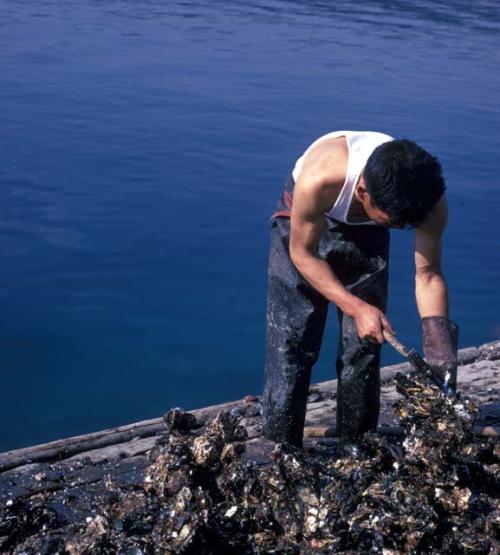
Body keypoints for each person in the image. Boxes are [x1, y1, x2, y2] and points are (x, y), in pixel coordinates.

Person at [261, 130, 458, 455]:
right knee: (293, 341)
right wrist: (355, 306)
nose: (402, 229)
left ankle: (357, 445)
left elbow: (429, 275)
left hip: (368, 226)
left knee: (365, 343)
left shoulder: (425, 200)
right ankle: (282, 449)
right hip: (306, 226)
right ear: (363, 192)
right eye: (395, 223)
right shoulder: (321, 177)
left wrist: (441, 352)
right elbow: (303, 255)